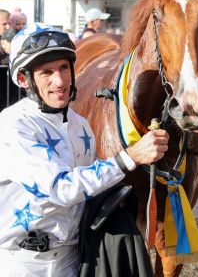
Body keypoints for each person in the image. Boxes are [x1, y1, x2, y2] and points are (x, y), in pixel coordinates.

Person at [0, 22, 169, 276]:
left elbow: (91, 191)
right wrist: (131, 157)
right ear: (24, 79)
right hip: (23, 264)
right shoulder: (14, 126)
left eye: (64, 68)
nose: (60, 80)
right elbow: (62, 188)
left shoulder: (80, 125)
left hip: (73, 260)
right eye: (47, 72)